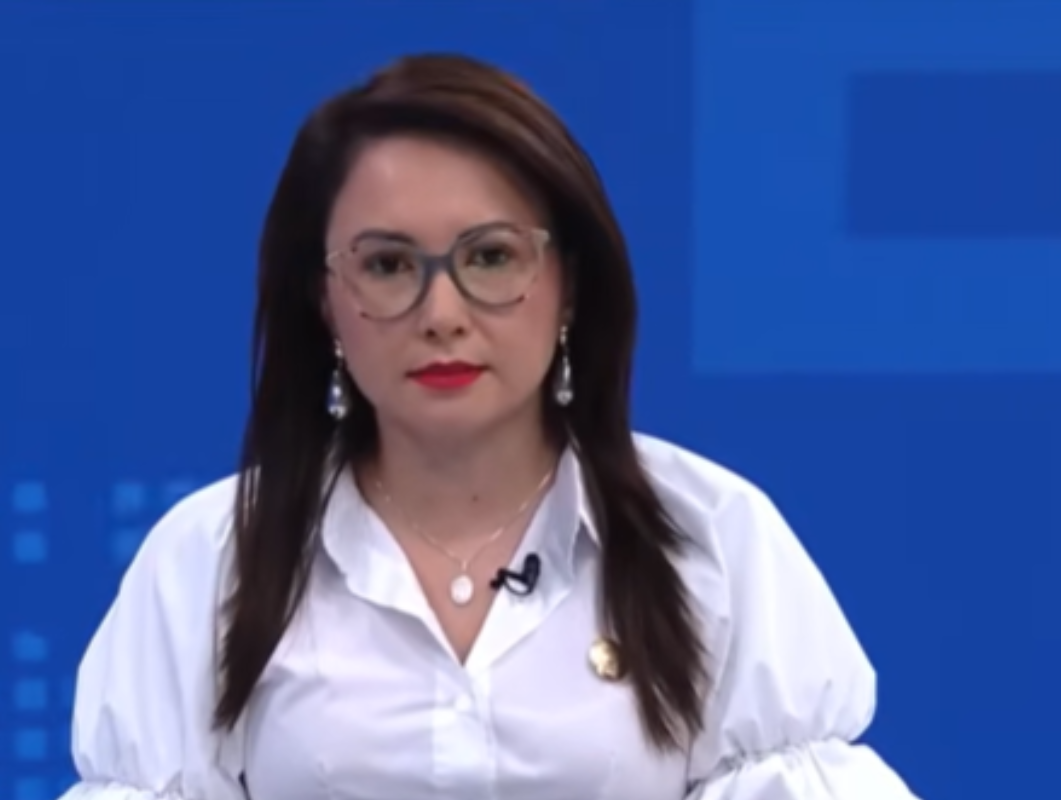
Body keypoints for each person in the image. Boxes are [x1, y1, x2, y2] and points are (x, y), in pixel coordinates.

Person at [61, 54, 920, 800]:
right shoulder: (213, 561)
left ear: (569, 286)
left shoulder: (710, 542)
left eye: (491, 257)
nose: (442, 313)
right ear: (326, 301)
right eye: (388, 265)